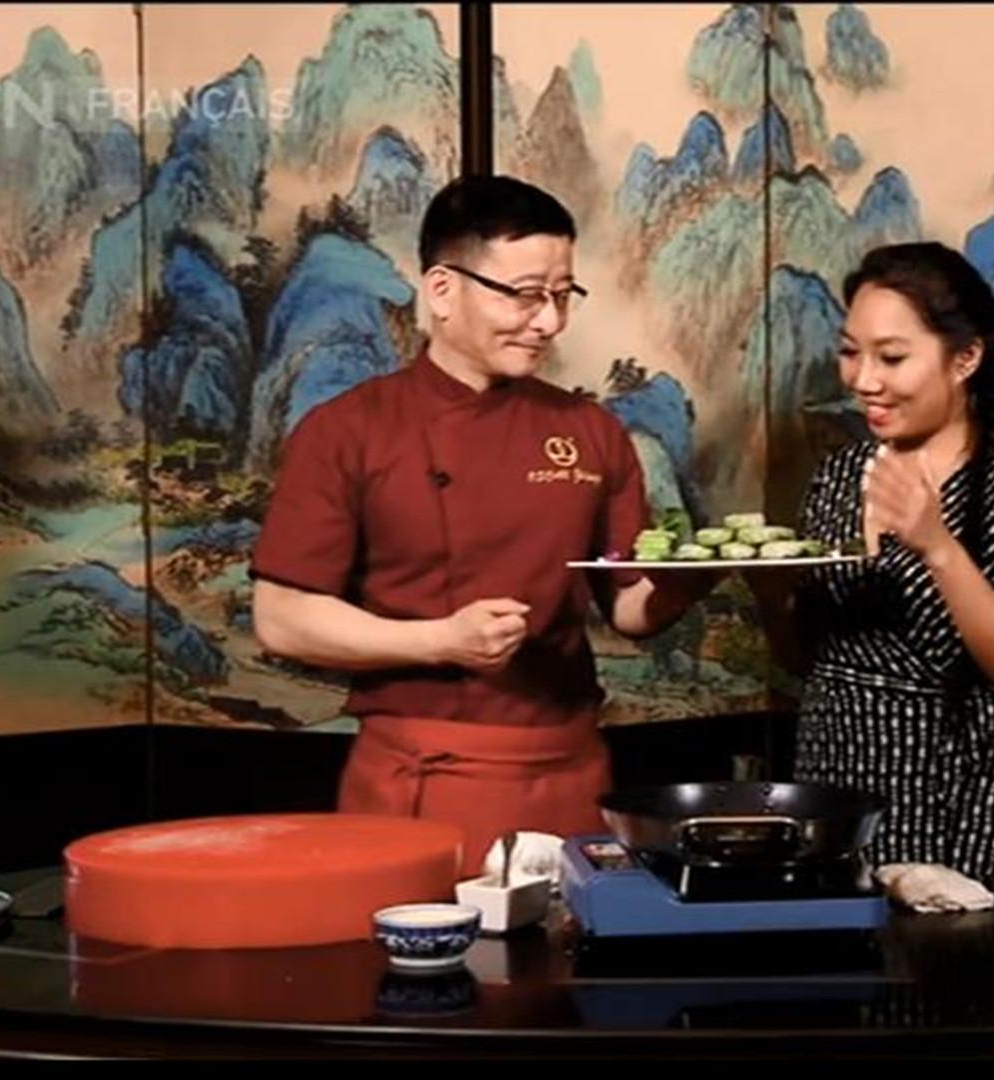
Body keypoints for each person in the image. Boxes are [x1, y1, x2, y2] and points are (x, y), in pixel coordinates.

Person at [250, 175, 711, 874]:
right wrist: (441, 640)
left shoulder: (589, 430)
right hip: (422, 775)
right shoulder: (347, 430)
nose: (548, 321)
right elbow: (282, 619)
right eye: (524, 294)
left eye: (563, 295)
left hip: (571, 771)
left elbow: (630, 606)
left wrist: (698, 578)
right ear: (442, 290)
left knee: (570, 944)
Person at [749, 241, 994, 889]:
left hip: (958, 813)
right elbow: (808, 660)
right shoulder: (840, 474)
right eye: (850, 352)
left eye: (892, 357)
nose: (863, 380)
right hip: (831, 803)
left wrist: (937, 546)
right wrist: (768, 593)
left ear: (965, 358)